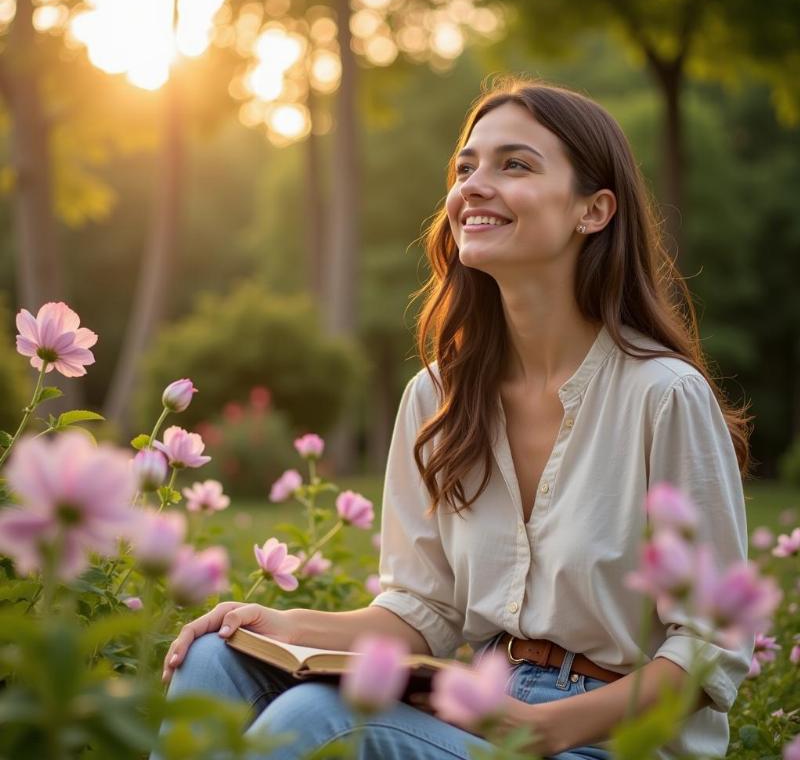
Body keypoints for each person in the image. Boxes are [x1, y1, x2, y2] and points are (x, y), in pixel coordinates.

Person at [157, 78, 754, 760]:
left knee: (320, 719)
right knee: (214, 661)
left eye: (515, 164)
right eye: (466, 167)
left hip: (611, 741)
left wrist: (546, 727)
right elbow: (425, 613)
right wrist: (282, 620)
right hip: (478, 708)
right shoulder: (436, 397)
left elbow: (712, 644)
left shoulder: (662, 395)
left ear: (593, 210)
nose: (474, 184)